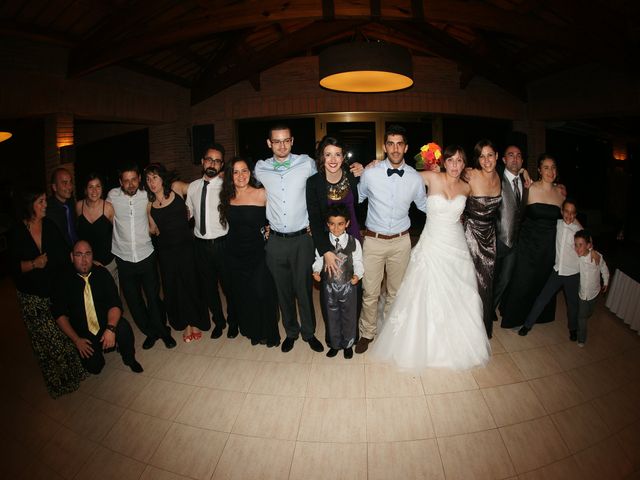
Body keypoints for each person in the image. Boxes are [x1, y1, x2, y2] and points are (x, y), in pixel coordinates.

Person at [369, 145, 491, 371]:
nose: (455, 165)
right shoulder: (430, 177)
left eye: (459, 161)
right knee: (423, 291)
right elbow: (401, 171)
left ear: (465, 164)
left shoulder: (467, 187)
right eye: (451, 160)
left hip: (456, 246)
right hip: (432, 243)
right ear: (444, 162)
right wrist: (376, 165)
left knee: (459, 293)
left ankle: (457, 343)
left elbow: (490, 193)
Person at [354, 124, 427, 354]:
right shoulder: (371, 174)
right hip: (373, 241)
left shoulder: (415, 178)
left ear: (406, 148)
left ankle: (390, 333)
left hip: (401, 242)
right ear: (385, 147)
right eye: (391, 143)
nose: (395, 148)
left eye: (399, 144)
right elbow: (357, 197)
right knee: (370, 292)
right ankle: (367, 332)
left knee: (396, 292)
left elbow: (425, 205)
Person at [9, 187, 87, 397]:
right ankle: (59, 383)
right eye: (41, 202)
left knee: (63, 334)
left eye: (45, 201)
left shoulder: (49, 226)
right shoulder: (16, 232)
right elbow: (11, 267)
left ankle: (74, 375)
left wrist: (82, 260)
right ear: (29, 205)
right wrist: (34, 263)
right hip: (32, 299)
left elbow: (64, 253)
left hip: (53, 292)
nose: (45, 205)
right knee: (49, 342)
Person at [254, 124, 324, 353]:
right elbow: (250, 195)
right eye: (277, 141)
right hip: (275, 241)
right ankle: (291, 332)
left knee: (303, 289)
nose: (282, 145)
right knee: (283, 291)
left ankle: (309, 333)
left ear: (292, 141)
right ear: (269, 143)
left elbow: (319, 191)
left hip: (303, 238)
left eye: (286, 140)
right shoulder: (260, 168)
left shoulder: (306, 163)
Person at [107, 163, 176, 350]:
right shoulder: (112, 196)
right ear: (120, 182)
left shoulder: (147, 195)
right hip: (124, 257)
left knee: (153, 297)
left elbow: (161, 206)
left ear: (139, 179)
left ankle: (163, 330)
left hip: (146, 254)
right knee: (134, 301)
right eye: (126, 181)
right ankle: (150, 332)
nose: (130, 184)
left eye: (134, 180)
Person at [52, 240, 143, 374]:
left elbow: (115, 304)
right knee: (95, 368)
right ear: (71, 257)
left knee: (123, 328)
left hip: (105, 323)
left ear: (93, 256)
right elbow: (59, 314)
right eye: (79, 255)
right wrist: (77, 340)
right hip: (83, 333)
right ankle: (97, 353)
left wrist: (110, 329)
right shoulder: (63, 281)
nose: (84, 260)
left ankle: (129, 359)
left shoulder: (102, 273)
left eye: (88, 254)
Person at [306, 135, 363, 344]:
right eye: (328, 154)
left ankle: (351, 336)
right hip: (327, 242)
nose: (333, 159)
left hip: (353, 237)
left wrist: (367, 167)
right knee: (329, 293)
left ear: (343, 157)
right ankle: (333, 336)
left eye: (337, 154)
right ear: (321, 157)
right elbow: (313, 218)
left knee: (354, 286)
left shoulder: (352, 175)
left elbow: (359, 205)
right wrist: (325, 251)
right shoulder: (313, 183)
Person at [219, 157, 281, 347]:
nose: (240, 175)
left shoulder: (262, 193)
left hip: (258, 252)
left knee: (263, 293)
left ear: (250, 172)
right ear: (230, 176)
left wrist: (271, 229)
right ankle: (253, 331)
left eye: (244, 170)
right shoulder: (227, 196)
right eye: (235, 172)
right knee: (244, 295)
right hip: (234, 253)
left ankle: (269, 333)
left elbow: (279, 214)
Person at [145, 163, 210, 343]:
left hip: (187, 248)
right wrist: (152, 230)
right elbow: (153, 229)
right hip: (166, 252)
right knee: (175, 288)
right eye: (148, 179)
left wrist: (193, 210)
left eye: (155, 177)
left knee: (191, 283)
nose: (152, 182)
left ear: (162, 178)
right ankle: (185, 323)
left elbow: (198, 189)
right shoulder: (150, 206)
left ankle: (196, 322)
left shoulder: (176, 188)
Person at [500, 154, 565, 329]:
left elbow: (568, 219)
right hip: (528, 246)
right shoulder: (530, 187)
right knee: (523, 282)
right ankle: (515, 318)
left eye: (553, 167)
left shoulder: (560, 193)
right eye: (546, 167)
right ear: (539, 170)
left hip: (548, 248)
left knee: (541, 282)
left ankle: (538, 316)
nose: (550, 171)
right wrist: (523, 170)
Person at [186, 144, 235, 339]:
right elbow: (188, 213)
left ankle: (233, 321)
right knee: (209, 288)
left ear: (221, 164)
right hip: (201, 246)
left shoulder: (227, 187)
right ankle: (219, 321)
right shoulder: (193, 187)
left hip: (223, 244)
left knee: (229, 287)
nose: (212, 163)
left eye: (216, 160)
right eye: (209, 159)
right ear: (202, 161)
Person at [518, 199, 582, 338]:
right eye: (566, 211)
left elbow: (587, 248)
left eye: (572, 213)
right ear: (561, 211)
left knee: (572, 304)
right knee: (542, 299)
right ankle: (527, 325)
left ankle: (573, 328)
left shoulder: (579, 231)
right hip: (557, 271)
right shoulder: (557, 224)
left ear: (576, 214)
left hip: (573, 273)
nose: (569, 216)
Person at [312, 204, 364, 359]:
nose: (336, 228)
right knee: (331, 315)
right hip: (328, 287)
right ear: (327, 224)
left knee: (349, 315)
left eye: (340, 224)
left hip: (348, 287)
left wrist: (358, 275)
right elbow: (319, 259)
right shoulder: (323, 242)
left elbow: (359, 261)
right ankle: (334, 344)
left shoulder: (354, 242)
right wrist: (316, 270)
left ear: (347, 223)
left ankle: (348, 344)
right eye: (332, 224)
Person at [462, 140, 502, 338]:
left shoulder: (500, 178)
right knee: (468, 281)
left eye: (490, 155)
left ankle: (481, 327)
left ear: (496, 156)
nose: (486, 160)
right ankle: (464, 327)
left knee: (486, 282)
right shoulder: (470, 174)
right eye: (482, 156)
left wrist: (525, 173)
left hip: (490, 235)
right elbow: (450, 179)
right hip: (470, 233)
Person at [493, 145, 528, 319]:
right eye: (511, 155)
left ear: (522, 161)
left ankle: (492, 307)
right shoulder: (496, 178)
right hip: (496, 240)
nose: (515, 158)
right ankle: (485, 310)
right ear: (504, 160)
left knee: (505, 279)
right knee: (490, 280)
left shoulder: (527, 183)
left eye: (519, 155)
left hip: (514, 242)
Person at [75, 173, 118, 285]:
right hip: (86, 263)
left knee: (111, 297)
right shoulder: (79, 206)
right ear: (85, 190)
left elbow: (117, 234)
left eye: (98, 186)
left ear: (102, 189)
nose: (94, 190)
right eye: (90, 187)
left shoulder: (108, 208)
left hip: (108, 263)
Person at [574, 230, 609, 347]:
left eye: (580, 245)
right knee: (582, 317)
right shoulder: (577, 258)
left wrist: (606, 281)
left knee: (589, 313)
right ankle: (581, 339)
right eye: (576, 245)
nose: (577, 248)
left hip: (594, 292)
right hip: (582, 294)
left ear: (589, 245)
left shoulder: (597, 257)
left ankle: (584, 317)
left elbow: (604, 269)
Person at [47, 167, 78, 247]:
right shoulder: (47, 209)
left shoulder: (71, 202)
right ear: (54, 187)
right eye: (64, 183)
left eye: (70, 182)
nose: (69, 187)